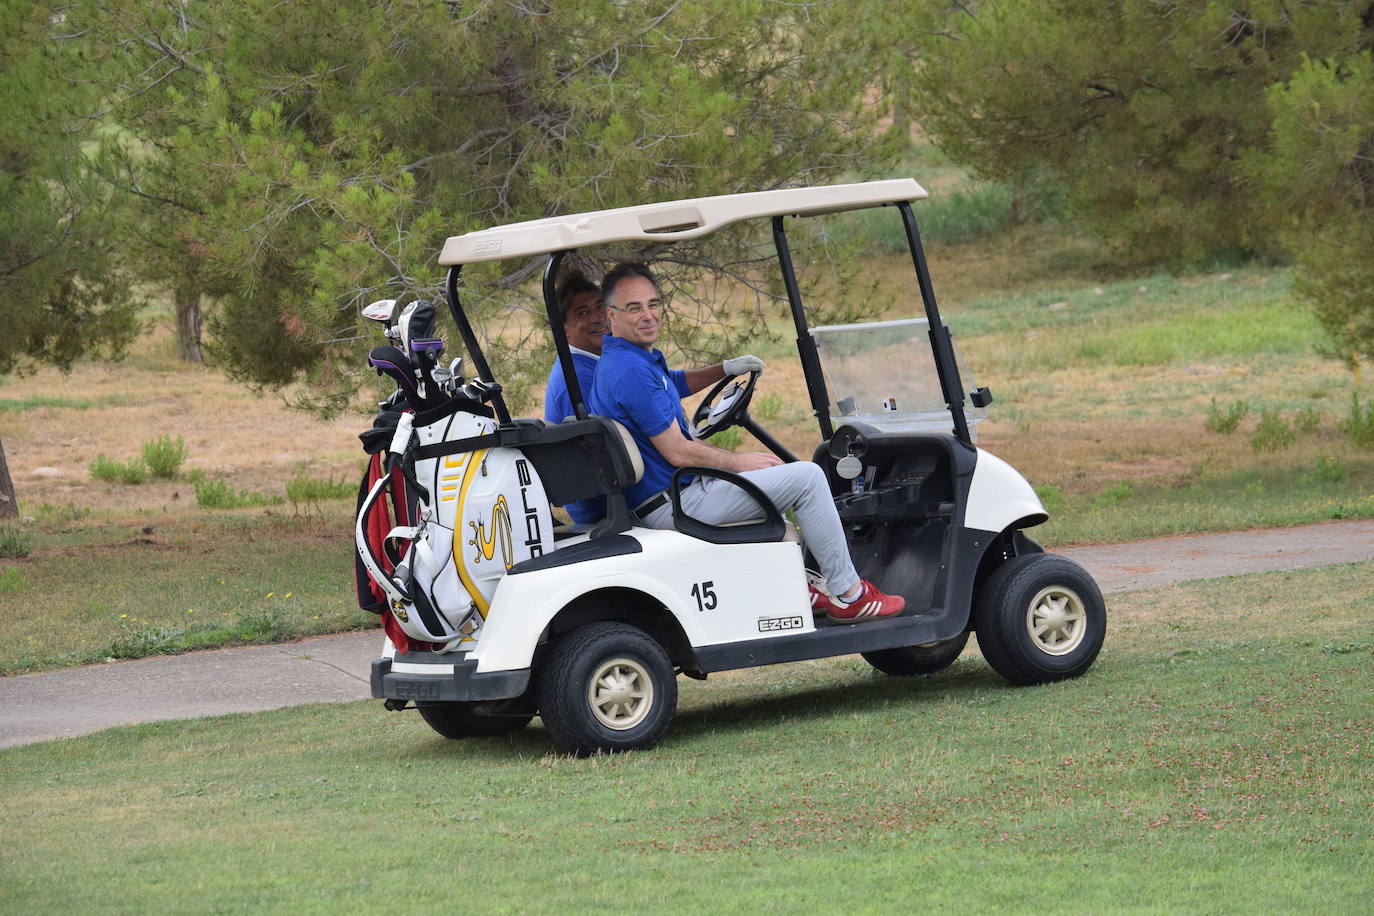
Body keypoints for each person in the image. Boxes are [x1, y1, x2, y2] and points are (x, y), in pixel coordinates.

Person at [588, 263, 905, 622]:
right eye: (634, 308)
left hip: (671, 495)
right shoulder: (631, 371)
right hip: (677, 503)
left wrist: (723, 369)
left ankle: (800, 584)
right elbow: (677, 451)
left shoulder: (627, 360)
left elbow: (670, 381)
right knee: (809, 479)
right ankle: (851, 595)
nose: (648, 315)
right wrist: (737, 463)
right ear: (610, 314)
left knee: (780, 477)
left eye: (653, 304)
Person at [543, 273, 609, 524]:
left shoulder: (591, 363)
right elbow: (604, 452)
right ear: (564, 329)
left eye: (600, 306)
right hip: (604, 508)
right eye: (582, 313)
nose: (597, 318)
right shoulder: (577, 378)